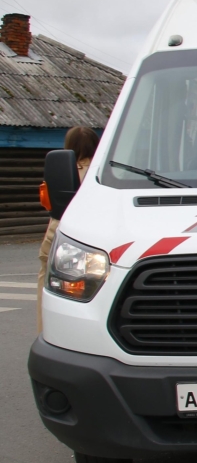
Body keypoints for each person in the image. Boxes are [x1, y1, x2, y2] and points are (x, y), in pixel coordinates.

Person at [37, 127, 99, 333]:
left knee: (49, 283)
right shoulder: (104, 171)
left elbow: (49, 204)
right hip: (97, 237)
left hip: (60, 232)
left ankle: (46, 333)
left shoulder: (62, 171)